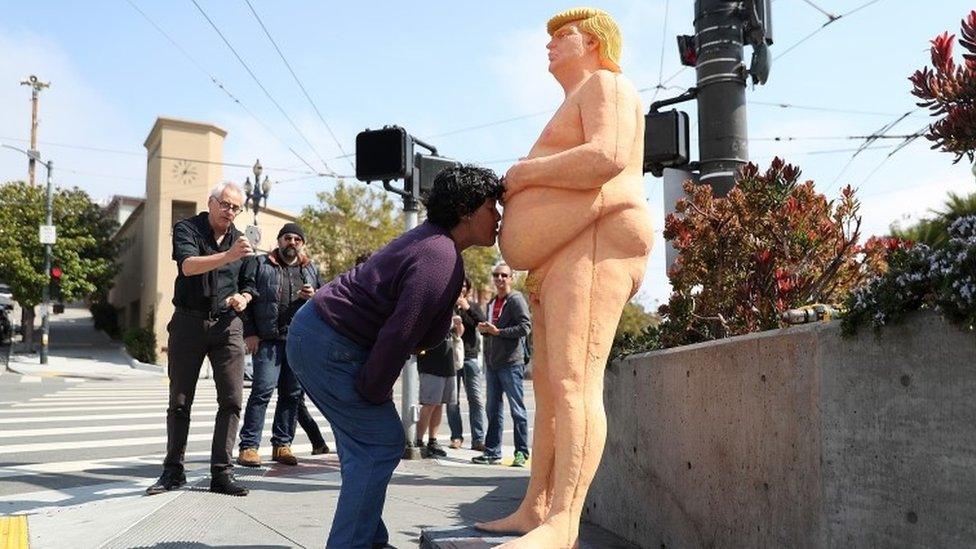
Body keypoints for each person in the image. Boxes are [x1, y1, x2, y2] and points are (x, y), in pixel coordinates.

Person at [478, 8, 655, 548]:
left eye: (564, 36)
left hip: (598, 239)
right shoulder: (577, 97)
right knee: (551, 388)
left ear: (595, 41)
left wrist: (524, 173)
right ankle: (536, 508)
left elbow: (607, 155)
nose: (551, 45)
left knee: (575, 382)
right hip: (564, 249)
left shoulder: (608, 85)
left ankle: (564, 522)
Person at [285, 165, 503, 548]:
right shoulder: (440, 255)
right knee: (381, 441)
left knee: (364, 450)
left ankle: (368, 539)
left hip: (319, 335)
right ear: (466, 209)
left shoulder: (438, 247)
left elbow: (414, 330)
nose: (498, 216)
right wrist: (375, 390)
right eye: (491, 206)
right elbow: (399, 334)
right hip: (328, 342)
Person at [146, 181, 258, 497]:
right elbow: (188, 266)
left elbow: (250, 283)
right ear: (210, 202)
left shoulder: (243, 242)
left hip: (228, 326)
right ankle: (172, 472)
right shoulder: (188, 229)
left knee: (233, 400)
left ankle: (221, 474)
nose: (230, 211)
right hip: (188, 321)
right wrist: (228, 254)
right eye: (225, 204)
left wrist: (244, 298)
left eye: (236, 207)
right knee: (180, 402)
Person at [237, 222, 328, 469]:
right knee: (262, 391)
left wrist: (314, 295)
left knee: (291, 395)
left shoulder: (309, 269)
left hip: (298, 342)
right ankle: (249, 447)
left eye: (297, 240)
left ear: (302, 244)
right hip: (267, 340)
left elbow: (325, 301)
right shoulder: (260, 264)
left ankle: (282, 445)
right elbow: (247, 296)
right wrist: (251, 333)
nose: (293, 243)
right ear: (279, 241)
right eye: (288, 238)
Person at [471, 263, 531, 467]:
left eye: (504, 275)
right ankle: (492, 452)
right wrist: (484, 330)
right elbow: (492, 332)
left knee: (517, 411)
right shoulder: (491, 303)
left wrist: (499, 332)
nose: (499, 279)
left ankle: (521, 453)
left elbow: (525, 327)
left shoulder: (515, 300)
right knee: (492, 410)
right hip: (492, 363)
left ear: (511, 278)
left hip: (511, 363)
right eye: (496, 275)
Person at [447, 276, 487, 451]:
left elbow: (482, 321)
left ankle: (478, 439)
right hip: (451, 359)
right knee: (452, 401)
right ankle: (456, 436)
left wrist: (467, 308)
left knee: (476, 400)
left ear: (468, 290)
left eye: (464, 287)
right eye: (458, 285)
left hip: (470, 357)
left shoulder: (472, 307)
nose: (461, 289)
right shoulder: (447, 306)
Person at [415, 314, 463, 457]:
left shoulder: (450, 310)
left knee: (440, 403)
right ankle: (418, 441)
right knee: (429, 404)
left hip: (448, 365)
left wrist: (458, 324)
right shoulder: (430, 310)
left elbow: (459, 334)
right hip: (430, 364)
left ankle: (432, 440)